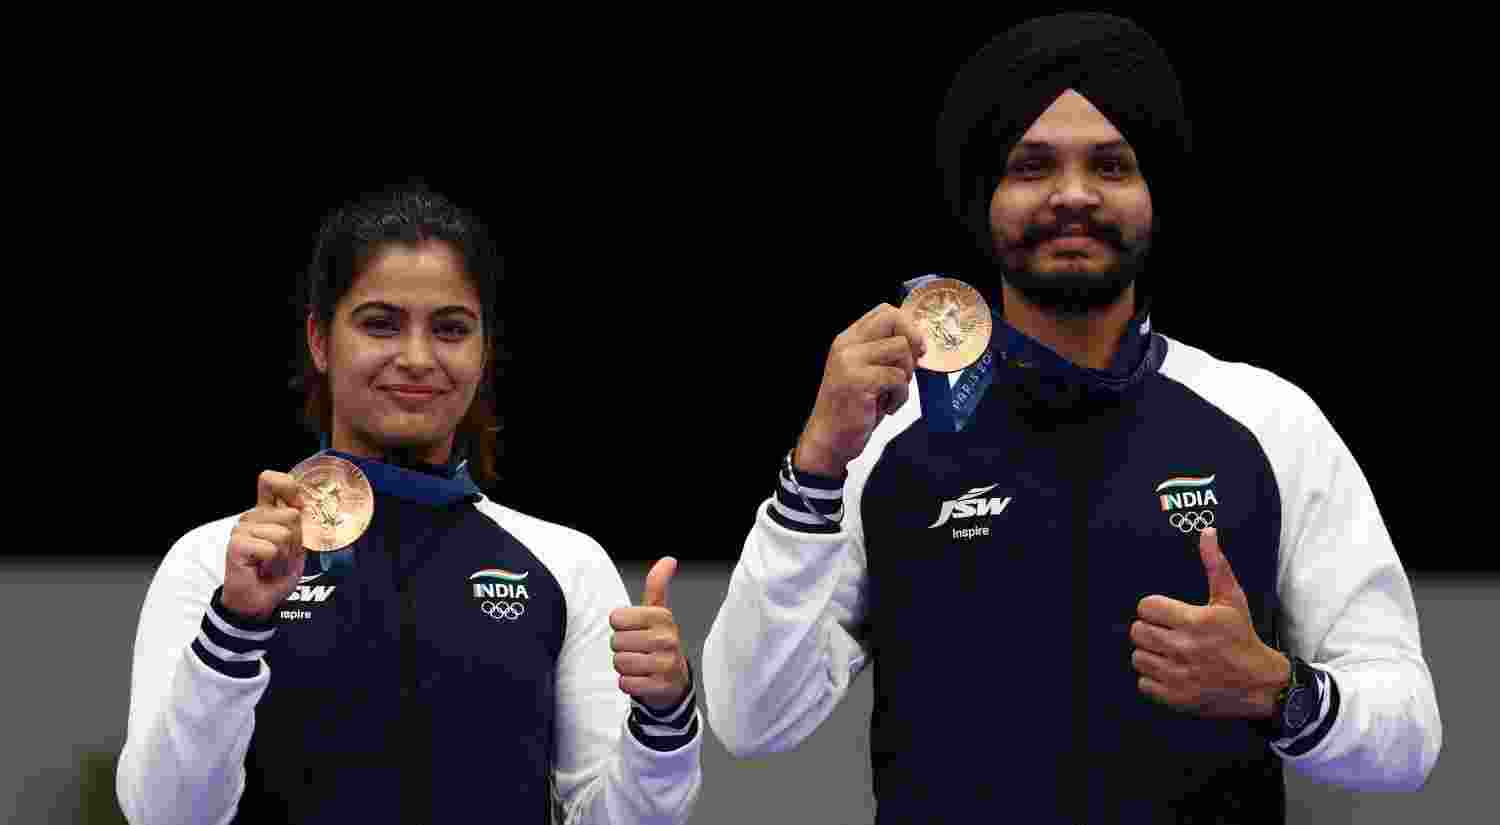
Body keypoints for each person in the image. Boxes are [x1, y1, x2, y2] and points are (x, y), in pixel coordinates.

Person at [701, 13, 1441, 824]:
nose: (1074, 195)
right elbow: (751, 721)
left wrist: (1280, 690)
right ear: (985, 198)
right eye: (1032, 166)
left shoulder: (1268, 420)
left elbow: (1409, 733)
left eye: (1113, 165)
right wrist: (815, 464)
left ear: (1154, 195)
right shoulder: (887, 437)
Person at [117, 183, 703, 824]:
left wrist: (665, 718)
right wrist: (234, 629)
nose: (418, 358)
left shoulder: (566, 565)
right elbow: (164, 816)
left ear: (482, 350)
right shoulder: (216, 562)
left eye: (450, 330)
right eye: (380, 324)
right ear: (320, 339)